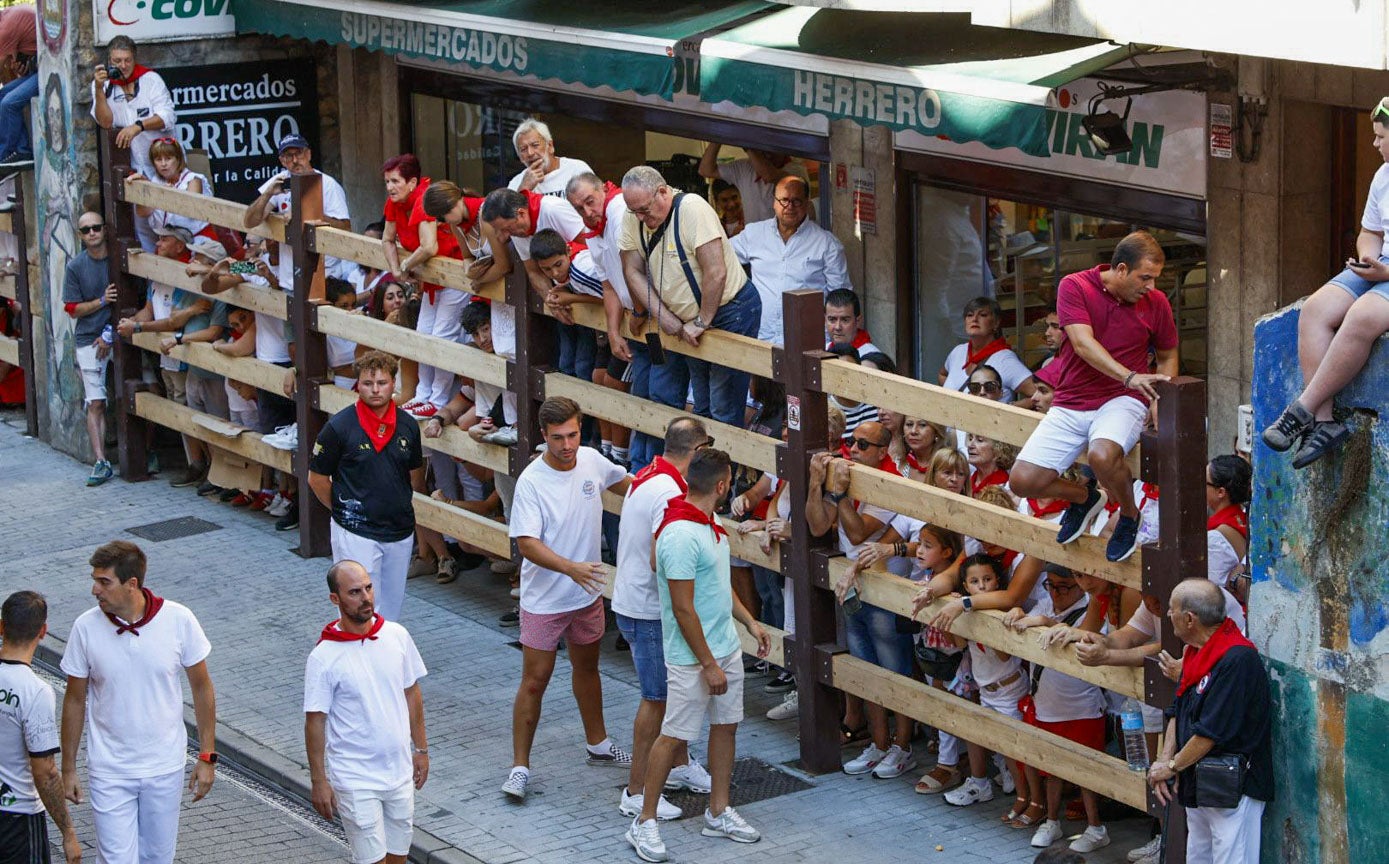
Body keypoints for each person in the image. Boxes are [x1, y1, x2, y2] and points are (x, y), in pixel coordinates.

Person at [625, 447, 769, 862]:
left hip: (725, 648)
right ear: (722, 486)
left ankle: (718, 811)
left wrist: (750, 623)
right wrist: (708, 664)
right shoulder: (680, 535)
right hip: (693, 659)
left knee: (726, 727)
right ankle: (644, 821)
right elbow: (683, 609)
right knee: (672, 737)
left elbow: (718, 586)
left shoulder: (710, 522)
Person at [1009, 231, 1179, 564]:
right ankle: (1083, 498)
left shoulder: (1156, 302)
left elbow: (1168, 353)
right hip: (1073, 398)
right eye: (1145, 277)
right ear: (1121, 269)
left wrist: (1163, 396)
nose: (1152, 286)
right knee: (1022, 481)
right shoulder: (1075, 285)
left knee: (1102, 456)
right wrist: (1129, 374)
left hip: (1124, 398)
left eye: (1155, 278)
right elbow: (1082, 344)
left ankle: (1129, 515)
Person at [504, 397, 633, 800]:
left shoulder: (593, 460)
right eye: (558, 437)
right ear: (543, 435)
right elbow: (526, 543)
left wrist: (665, 491)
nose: (567, 445)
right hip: (544, 601)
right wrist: (570, 568)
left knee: (588, 669)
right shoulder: (531, 482)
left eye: (573, 435)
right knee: (534, 681)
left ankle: (598, 743)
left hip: (586, 595)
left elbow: (629, 484)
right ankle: (519, 767)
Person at [60, 540, 217, 864]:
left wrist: (207, 756)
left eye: (104, 582)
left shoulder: (179, 620)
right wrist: (68, 768)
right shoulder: (85, 627)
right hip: (109, 770)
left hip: (164, 767)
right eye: (95, 580)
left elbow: (202, 688)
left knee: (157, 858)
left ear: (132, 584)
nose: (94, 590)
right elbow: (74, 700)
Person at [1263, 97, 1389, 468]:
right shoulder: (1383, 175)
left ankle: (1301, 408)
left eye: (1381, 136)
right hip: (1381, 265)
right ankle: (1323, 422)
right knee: (1316, 309)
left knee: (1362, 315)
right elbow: (1370, 232)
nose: (1374, 143)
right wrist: (1368, 258)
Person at [613, 417, 715, 822]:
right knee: (657, 700)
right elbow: (663, 559)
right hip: (650, 610)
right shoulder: (671, 491)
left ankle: (678, 764)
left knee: (672, 697)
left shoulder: (648, 474)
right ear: (698, 451)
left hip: (635, 602)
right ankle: (636, 792)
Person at [618, 165, 762, 429]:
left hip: (729, 311)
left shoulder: (692, 209)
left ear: (663, 192)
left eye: (644, 210)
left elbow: (716, 272)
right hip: (685, 320)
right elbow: (632, 270)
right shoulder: (634, 217)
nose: (640, 217)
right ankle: (704, 454)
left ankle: (723, 454)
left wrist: (701, 321)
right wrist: (664, 317)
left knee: (723, 404)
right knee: (702, 402)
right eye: (633, 211)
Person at [304, 561, 429, 864]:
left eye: (368, 588)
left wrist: (421, 749)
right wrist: (319, 780)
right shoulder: (323, 657)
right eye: (355, 592)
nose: (366, 598)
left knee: (398, 858)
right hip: (355, 778)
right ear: (335, 599)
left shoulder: (397, 635)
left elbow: (412, 693)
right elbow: (315, 722)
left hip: (399, 772)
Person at [811, 421, 916, 780]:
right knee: (865, 668)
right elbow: (818, 526)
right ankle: (879, 743)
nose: (852, 450)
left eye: (862, 445)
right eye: (851, 442)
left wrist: (838, 495)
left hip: (884, 589)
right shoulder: (851, 475)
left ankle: (902, 747)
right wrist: (817, 484)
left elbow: (856, 532)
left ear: (883, 451)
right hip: (853, 582)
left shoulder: (888, 480)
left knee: (894, 670)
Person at [1149, 579, 1273, 864]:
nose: (1168, 614)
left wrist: (1172, 766)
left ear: (1189, 619)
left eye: (1172, 609)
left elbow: (1210, 732)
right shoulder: (1196, 653)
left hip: (1232, 786)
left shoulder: (1237, 659)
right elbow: (1178, 708)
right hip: (1198, 781)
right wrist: (1166, 759)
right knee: (1198, 857)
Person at [307, 351, 424, 622]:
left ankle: (383, 650)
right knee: (358, 609)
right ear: (357, 385)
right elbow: (317, 478)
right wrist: (345, 511)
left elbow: (413, 472)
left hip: (399, 529)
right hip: (355, 532)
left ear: (393, 384)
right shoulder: (338, 427)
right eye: (368, 383)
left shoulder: (408, 425)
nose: (375, 390)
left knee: (391, 610)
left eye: (382, 383)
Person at [1002, 567, 1111, 854]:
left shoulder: (1091, 609)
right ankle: (1051, 821)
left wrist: (1046, 622)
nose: (1055, 593)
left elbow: (1090, 637)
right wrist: (1019, 613)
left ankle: (1096, 827)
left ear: (1079, 586)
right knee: (1051, 769)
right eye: (1050, 585)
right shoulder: (1044, 603)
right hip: (1046, 704)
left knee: (1086, 772)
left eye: (1064, 587)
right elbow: (1028, 621)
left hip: (1082, 706)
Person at [380, 155, 472, 419]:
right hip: (432, 280)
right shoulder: (394, 202)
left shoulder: (423, 198)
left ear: (412, 183)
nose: (390, 187)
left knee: (442, 336)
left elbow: (429, 246)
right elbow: (387, 239)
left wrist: (406, 265)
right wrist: (396, 269)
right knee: (423, 334)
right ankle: (423, 396)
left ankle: (438, 399)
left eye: (395, 181)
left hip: (454, 275)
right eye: (387, 182)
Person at [0, 590, 82, 864]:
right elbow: (45, 771)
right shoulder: (35, 692)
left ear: (1, 627)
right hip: (17, 822)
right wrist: (68, 833)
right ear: (43, 631)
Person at [730, 175, 849, 345]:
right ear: (774, 202)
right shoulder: (754, 234)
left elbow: (841, 299)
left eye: (796, 201)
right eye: (784, 200)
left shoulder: (827, 244)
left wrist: (836, 345)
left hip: (807, 342)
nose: (790, 207)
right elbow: (718, 257)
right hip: (761, 337)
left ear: (807, 203)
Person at [243, 133, 352, 296]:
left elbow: (346, 228)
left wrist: (308, 213)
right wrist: (267, 193)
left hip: (324, 279)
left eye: (299, 153)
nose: (295, 160)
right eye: (288, 155)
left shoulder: (328, 184)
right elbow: (249, 222)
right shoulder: (280, 181)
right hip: (291, 281)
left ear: (308, 154)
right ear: (282, 161)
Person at [64, 211, 116, 486]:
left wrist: (110, 334)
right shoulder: (75, 266)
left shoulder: (118, 259)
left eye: (96, 227)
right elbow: (72, 308)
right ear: (80, 235)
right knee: (95, 401)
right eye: (86, 230)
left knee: (146, 388)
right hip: (88, 338)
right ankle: (101, 460)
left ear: (104, 229)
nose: (92, 233)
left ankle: (148, 451)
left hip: (121, 334)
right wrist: (102, 301)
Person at [937, 296, 1035, 404]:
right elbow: (942, 375)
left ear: (996, 323)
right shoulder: (958, 351)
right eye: (970, 315)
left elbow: (1039, 395)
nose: (974, 319)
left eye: (983, 315)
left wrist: (1010, 408)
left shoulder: (1005, 359)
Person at [131, 137, 215, 242]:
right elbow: (142, 212)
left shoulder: (193, 179)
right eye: (158, 159)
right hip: (169, 242)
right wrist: (147, 189)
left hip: (198, 240)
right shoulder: (156, 181)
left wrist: (169, 195)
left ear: (178, 159)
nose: (163, 164)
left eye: (168, 158)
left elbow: (191, 210)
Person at [697, 144, 806, 223]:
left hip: (786, 243)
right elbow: (705, 170)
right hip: (754, 243)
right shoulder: (744, 167)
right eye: (761, 147)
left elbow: (768, 176)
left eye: (772, 147)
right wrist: (718, 137)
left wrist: (747, 146)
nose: (767, 153)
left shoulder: (796, 170)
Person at [1206, 455, 1252, 605]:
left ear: (1220, 492)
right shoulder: (1245, 518)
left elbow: (1212, 594)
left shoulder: (1215, 538)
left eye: (1204, 483)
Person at [508, 118, 593, 196]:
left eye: (535, 145)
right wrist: (524, 188)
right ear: (520, 157)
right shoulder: (517, 182)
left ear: (550, 146)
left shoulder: (576, 169)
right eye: (523, 149)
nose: (530, 153)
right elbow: (511, 208)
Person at [0, 3, 37, 165]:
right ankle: (21, 150)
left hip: (50, 71)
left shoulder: (5, 29)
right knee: (3, 95)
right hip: (37, 68)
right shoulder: (6, 16)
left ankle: (5, 154)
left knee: (8, 103)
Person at [824, 288, 880, 356]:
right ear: (825, 320)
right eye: (832, 319)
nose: (837, 327)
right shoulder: (823, 350)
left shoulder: (871, 358)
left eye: (845, 320)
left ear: (858, 321)